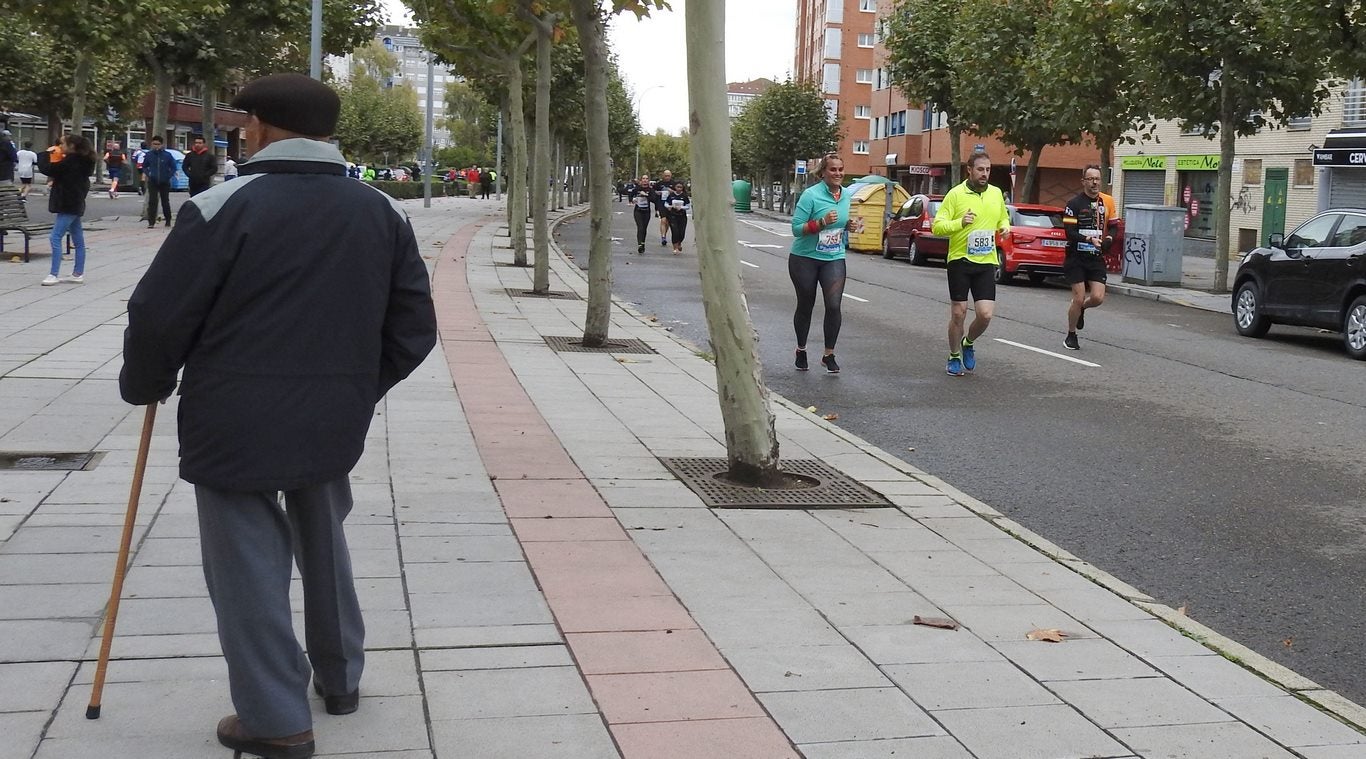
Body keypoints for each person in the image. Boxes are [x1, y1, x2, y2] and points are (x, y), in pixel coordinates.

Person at [119, 73, 437, 759]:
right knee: (324, 534)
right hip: (333, 411)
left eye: (243, 120)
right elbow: (413, 328)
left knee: (247, 565)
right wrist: (355, 386)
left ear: (259, 126)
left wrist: (145, 380)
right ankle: (342, 676)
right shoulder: (382, 211)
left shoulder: (220, 206)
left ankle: (275, 717)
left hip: (232, 413)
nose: (239, 129)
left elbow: (157, 313)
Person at [932, 151, 1011, 377]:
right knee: (959, 313)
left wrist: (1006, 227)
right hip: (960, 260)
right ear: (969, 169)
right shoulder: (956, 195)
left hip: (986, 261)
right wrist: (960, 222)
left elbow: (1002, 217)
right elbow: (938, 226)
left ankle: (968, 342)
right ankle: (954, 355)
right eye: (980, 169)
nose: (985, 174)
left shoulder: (996, 193)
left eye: (988, 169)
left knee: (985, 315)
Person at [789, 153, 861, 374]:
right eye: (833, 170)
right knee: (806, 304)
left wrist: (850, 225)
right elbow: (796, 229)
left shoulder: (846, 195)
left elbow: (839, 223)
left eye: (840, 169)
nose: (838, 173)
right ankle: (801, 349)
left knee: (833, 305)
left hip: (833, 257)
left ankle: (829, 354)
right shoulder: (811, 196)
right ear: (822, 173)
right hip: (805, 258)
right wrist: (820, 223)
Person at [1062, 165, 1110, 350]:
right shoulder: (1073, 204)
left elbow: (1112, 225)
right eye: (1090, 179)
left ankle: (1081, 309)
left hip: (1095, 257)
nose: (1094, 182)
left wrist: (1108, 238)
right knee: (1079, 297)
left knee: (1097, 298)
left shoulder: (1104, 204)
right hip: (1076, 257)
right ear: (1083, 182)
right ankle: (1071, 335)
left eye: (1097, 178)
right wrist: (1088, 239)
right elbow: (1069, 232)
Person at [36, 134, 95, 286]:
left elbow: (49, 169)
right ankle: (78, 273)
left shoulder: (70, 161)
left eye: (62, 144)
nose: (60, 146)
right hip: (75, 203)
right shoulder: (84, 161)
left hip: (67, 204)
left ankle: (53, 273)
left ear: (72, 146)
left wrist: (44, 154)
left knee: (55, 237)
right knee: (78, 239)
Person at [141, 136, 176, 228]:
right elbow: (144, 166)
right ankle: (151, 221)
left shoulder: (167, 155)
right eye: (154, 144)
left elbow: (173, 167)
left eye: (158, 144)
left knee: (165, 201)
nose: (156, 146)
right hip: (153, 181)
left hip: (164, 181)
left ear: (162, 145)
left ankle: (168, 220)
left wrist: (168, 176)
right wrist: (149, 174)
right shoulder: (149, 154)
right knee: (152, 201)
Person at [631, 173, 653, 254]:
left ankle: (643, 243)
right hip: (638, 211)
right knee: (640, 228)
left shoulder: (650, 190)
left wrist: (646, 195)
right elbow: (631, 194)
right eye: (643, 178)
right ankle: (639, 244)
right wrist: (632, 200)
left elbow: (654, 199)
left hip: (646, 211)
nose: (645, 180)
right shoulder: (637, 189)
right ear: (641, 180)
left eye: (646, 178)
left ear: (648, 181)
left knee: (644, 228)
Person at [666, 181, 690, 254]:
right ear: (675, 187)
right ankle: (675, 247)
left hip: (682, 216)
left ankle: (679, 243)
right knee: (675, 231)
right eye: (677, 187)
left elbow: (688, 206)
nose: (679, 189)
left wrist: (681, 207)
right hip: (673, 215)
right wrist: (669, 207)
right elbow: (666, 203)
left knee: (681, 232)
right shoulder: (671, 195)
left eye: (680, 187)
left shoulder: (684, 196)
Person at [653, 169, 674, 246]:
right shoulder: (659, 184)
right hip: (661, 204)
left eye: (668, 176)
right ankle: (663, 237)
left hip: (670, 205)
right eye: (665, 176)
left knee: (668, 222)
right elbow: (653, 191)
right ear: (663, 176)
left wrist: (672, 191)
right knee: (663, 220)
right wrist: (657, 193)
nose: (667, 177)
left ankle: (664, 233)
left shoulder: (673, 183)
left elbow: (678, 192)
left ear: (671, 176)